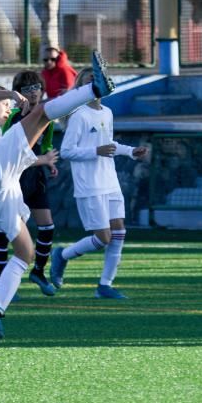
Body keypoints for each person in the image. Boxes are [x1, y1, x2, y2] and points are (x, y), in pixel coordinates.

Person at [0, 51, 115, 339]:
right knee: (41, 113)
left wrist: (39, 161)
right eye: (5, 105)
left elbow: (15, 160)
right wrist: (12, 95)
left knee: (24, 252)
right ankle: (94, 89)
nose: (8, 109)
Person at [49, 68, 148, 299]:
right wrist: (96, 151)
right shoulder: (79, 115)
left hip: (110, 181)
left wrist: (132, 151)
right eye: (90, 79)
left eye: (98, 78)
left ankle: (105, 285)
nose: (95, 82)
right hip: (90, 185)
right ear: (82, 87)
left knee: (119, 233)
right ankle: (62, 255)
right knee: (103, 239)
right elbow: (66, 151)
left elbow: (109, 144)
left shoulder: (107, 112)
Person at [0, 71, 59, 298]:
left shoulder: (46, 117)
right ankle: (0, 278)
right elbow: (9, 150)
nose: (33, 93)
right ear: (19, 94)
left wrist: (49, 162)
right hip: (13, 179)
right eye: (27, 89)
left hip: (35, 178)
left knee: (47, 226)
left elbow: (47, 143)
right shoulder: (12, 118)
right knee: (5, 229)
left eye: (36, 87)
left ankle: (39, 271)